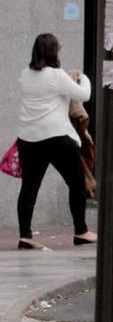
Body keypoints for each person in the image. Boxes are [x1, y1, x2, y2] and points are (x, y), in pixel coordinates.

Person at [16, 33, 97, 250]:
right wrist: (82, 77)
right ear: (53, 52)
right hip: (56, 138)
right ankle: (81, 231)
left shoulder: (25, 74)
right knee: (77, 183)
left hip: (28, 139)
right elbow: (84, 94)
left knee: (29, 189)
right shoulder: (56, 76)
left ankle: (25, 236)